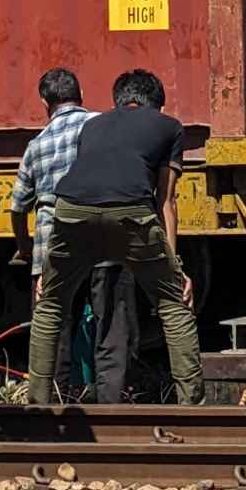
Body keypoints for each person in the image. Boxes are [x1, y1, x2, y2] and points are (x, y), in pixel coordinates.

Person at [29, 69, 203, 405]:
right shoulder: (169, 126)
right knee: (173, 304)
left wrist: (52, 273)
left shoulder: (92, 125)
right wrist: (176, 268)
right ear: (158, 105)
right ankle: (191, 406)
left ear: (120, 101)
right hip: (132, 209)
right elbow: (166, 200)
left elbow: (89, 181)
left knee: (50, 305)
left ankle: (37, 406)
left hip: (71, 209)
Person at [10, 68, 136, 404]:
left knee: (55, 328)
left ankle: (54, 403)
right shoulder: (106, 127)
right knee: (111, 325)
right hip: (107, 238)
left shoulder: (37, 145)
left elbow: (18, 206)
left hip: (56, 244)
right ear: (81, 94)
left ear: (44, 103)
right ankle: (112, 408)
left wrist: (24, 247)